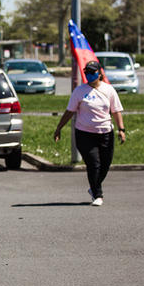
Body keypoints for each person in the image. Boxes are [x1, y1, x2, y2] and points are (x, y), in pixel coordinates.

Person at [53, 60, 125, 206]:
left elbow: (116, 111)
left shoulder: (109, 90)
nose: (89, 75)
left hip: (105, 133)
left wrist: (121, 129)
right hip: (85, 134)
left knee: (105, 164)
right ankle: (97, 194)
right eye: (87, 72)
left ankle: (93, 188)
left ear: (99, 73)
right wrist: (59, 128)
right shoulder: (79, 91)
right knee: (94, 164)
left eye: (92, 72)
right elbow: (69, 111)